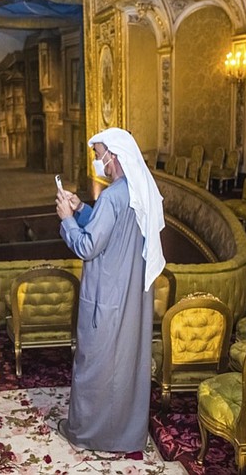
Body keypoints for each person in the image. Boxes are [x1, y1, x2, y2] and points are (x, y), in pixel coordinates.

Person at [55, 128, 166, 452]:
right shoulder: (136, 189)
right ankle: (126, 433)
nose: (96, 160)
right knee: (127, 363)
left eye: (98, 153)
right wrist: (82, 210)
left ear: (112, 156)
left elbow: (89, 246)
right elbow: (116, 228)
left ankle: (86, 432)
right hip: (132, 293)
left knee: (96, 365)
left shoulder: (112, 195)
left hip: (107, 294)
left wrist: (67, 219)